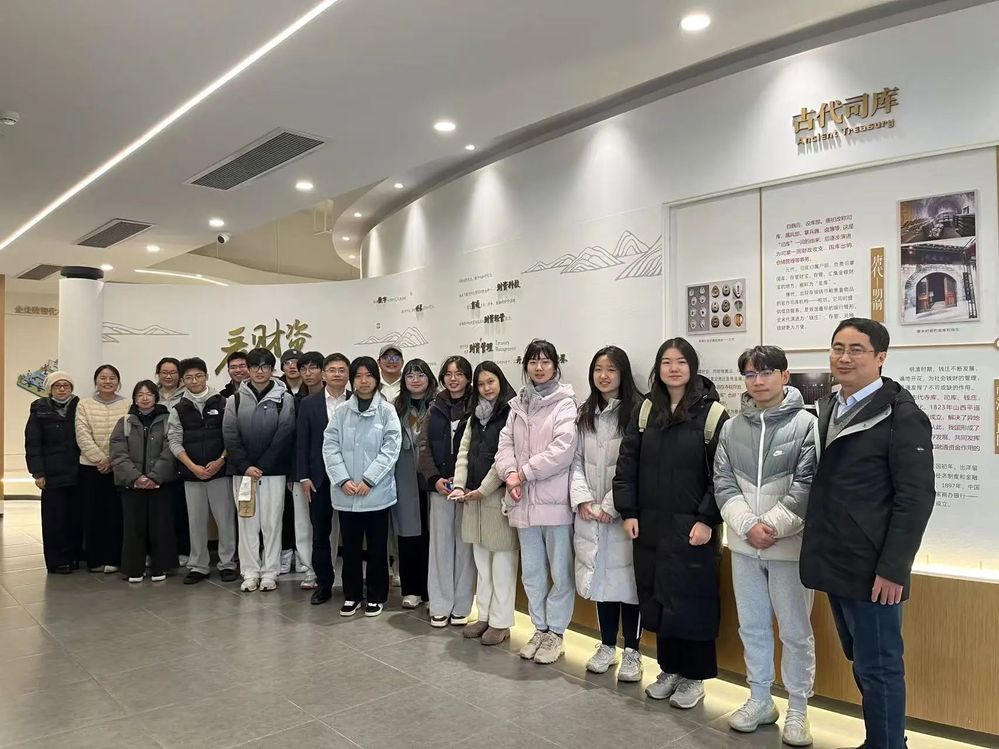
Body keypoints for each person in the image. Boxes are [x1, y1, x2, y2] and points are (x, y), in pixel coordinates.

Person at [801, 318, 934, 749]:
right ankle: (883, 739)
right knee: (861, 661)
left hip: (875, 569)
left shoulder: (903, 416)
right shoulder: (829, 406)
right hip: (836, 559)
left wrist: (894, 569)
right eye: (837, 348)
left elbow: (916, 499)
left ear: (880, 357)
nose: (844, 357)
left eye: (856, 349)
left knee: (880, 667)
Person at [614, 337, 729, 710]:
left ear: (692, 367)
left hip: (694, 528)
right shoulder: (646, 410)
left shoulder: (712, 414)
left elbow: (722, 475)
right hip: (651, 525)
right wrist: (629, 511)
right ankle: (669, 669)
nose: (674, 368)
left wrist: (707, 519)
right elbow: (627, 465)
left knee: (693, 601)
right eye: (666, 362)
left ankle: (694, 677)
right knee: (658, 597)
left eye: (681, 361)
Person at [714, 345, 817, 745]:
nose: (757, 381)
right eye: (750, 374)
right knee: (752, 627)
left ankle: (798, 708)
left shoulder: (807, 425)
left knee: (795, 631)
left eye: (766, 372)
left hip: (789, 550)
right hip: (743, 548)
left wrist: (769, 527)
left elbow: (806, 486)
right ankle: (760, 699)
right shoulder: (731, 427)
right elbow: (723, 482)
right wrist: (747, 526)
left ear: (785, 376)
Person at [496, 339, 578, 664]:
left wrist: (523, 473)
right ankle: (540, 628)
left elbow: (563, 450)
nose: (539, 367)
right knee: (531, 574)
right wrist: (509, 474)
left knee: (560, 573)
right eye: (533, 362)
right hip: (522, 503)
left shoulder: (565, 404)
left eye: (545, 362)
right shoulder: (518, 405)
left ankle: (556, 633)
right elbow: (504, 445)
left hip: (554, 505)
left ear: (556, 366)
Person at [571, 346, 643, 682]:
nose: (603, 375)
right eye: (598, 369)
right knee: (600, 581)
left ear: (622, 373)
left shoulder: (637, 412)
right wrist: (584, 499)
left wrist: (612, 505)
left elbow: (637, 465)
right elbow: (574, 462)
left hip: (623, 514)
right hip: (590, 514)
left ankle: (633, 650)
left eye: (611, 369)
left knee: (628, 585)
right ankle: (606, 645)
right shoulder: (586, 413)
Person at [324, 356, 401, 618]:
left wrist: (369, 480)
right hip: (346, 493)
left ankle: (377, 596)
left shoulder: (386, 411)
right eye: (358, 376)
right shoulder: (342, 412)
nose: (364, 381)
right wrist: (343, 480)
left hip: (376, 493)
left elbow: (391, 448)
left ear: (376, 379)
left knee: (378, 548)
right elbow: (330, 446)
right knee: (351, 549)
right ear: (352, 380)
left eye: (369, 375)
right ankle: (352, 595)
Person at [449, 361, 519, 646]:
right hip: (472, 499)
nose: (486, 388)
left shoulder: (512, 413)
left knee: (502, 565)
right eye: (480, 384)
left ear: (500, 381)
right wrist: (459, 484)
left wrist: (483, 489)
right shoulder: (474, 416)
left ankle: (501, 623)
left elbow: (505, 458)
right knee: (482, 564)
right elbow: (463, 452)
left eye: (490, 381)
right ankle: (485, 616)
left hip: (497, 498)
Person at [222, 347, 296, 592]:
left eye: (265, 366)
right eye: (254, 366)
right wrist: (246, 466)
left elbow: (285, 433)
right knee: (247, 523)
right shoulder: (235, 400)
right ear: (248, 369)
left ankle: (270, 572)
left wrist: (262, 466)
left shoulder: (284, 398)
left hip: (272, 472)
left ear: (272, 370)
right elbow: (230, 435)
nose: (259, 371)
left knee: (272, 523)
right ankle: (250, 572)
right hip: (243, 473)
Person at [168, 357, 238, 585]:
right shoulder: (178, 408)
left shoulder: (224, 403)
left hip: (220, 471)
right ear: (183, 380)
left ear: (206, 376)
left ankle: (227, 564)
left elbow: (231, 435)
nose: (194, 381)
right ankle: (198, 565)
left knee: (225, 520)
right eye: (189, 377)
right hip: (192, 475)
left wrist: (220, 460)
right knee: (196, 522)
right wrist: (192, 466)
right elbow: (174, 441)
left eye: (198, 376)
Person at [419, 355, 477, 627]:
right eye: (448, 374)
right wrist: (434, 479)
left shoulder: (477, 405)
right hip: (440, 488)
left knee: (465, 548)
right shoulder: (435, 406)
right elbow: (423, 446)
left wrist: (466, 480)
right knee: (440, 547)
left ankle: (462, 605)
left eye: (459, 374)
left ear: (468, 378)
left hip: (468, 489)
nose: (453, 379)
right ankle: (440, 604)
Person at [110, 380, 178, 583]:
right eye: (140, 395)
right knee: (133, 528)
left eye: (149, 394)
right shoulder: (125, 422)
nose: (145, 398)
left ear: (156, 397)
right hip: (132, 485)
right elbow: (118, 453)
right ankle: (134, 569)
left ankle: (161, 567)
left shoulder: (168, 420)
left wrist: (155, 476)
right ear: (134, 399)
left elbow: (171, 451)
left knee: (161, 526)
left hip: (160, 483)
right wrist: (136, 477)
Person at [297, 353, 351, 604]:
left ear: (348, 374)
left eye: (342, 370)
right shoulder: (309, 404)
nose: (337, 374)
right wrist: (304, 476)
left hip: (351, 479)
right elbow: (302, 442)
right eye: (332, 370)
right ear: (324, 374)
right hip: (318, 478)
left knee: (351, 535)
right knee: (320, 534)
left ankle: (351, 586)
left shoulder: (357, 400)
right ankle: (324, 584)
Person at [25, 370, 82, 574]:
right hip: (52, 474)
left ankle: (74, 557)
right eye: (58, 386)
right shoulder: (39, 410)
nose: (62, 389)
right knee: (54, 519)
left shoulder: (79, 407)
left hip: (76, 472)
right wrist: (37, 473)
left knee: (75, 517)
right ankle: (57, 561)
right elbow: (33, 444)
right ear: (50, 389)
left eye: (66, 385)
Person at [76, 364, 130, 574]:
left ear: (118, 382)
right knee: (93, 515)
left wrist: (112, 460)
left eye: (112, 378)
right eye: (103, 378)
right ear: (96, 381)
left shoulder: (127, 404)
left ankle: (115, 558)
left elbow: (129, 436)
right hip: (91, 468)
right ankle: (95, 559)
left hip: (119, 467)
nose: (107, 382)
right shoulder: (84, 404)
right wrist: (100, 459)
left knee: (117, 515)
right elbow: (82, 435)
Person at [392, 359, 437, 609]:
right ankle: (411, 590)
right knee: (409, 535)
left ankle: (432, 592)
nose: (415, 380)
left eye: (420, 375)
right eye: (410, 376)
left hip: (433, 477)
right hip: (405, 477)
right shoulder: (396, 407)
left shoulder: (439, 404)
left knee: (434, 536)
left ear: (429, 378)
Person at [283, 350, 323, 589]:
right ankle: (309, 569)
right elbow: (293, 440)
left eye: (313, 368)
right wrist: (296, 473)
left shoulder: (341, 397)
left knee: (327, 526)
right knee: (303, 523)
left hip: (332, 473)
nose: (308, 373)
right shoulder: (294, 400)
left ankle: (326, 568)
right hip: (302, 471)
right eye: (303, 369)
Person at [155, 356, 189, 566]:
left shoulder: (187, 395)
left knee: (182, 507)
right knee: (160, 509)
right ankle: (161, 551)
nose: (168, 376)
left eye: (173, 372)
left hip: (183, 455)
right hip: (157, 457)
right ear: (158, 374)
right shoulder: (151, 393)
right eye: (164, 372)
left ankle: (184, 550)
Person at [279, 348, 307, 575]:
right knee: (284, 511)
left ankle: (302, 555)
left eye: (296, 362)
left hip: (304, 461)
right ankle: (285, 553)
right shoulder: (277, 391)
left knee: (304, 514)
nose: (292, 366)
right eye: (287, 362)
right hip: (281, 460)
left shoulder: (312, 389)